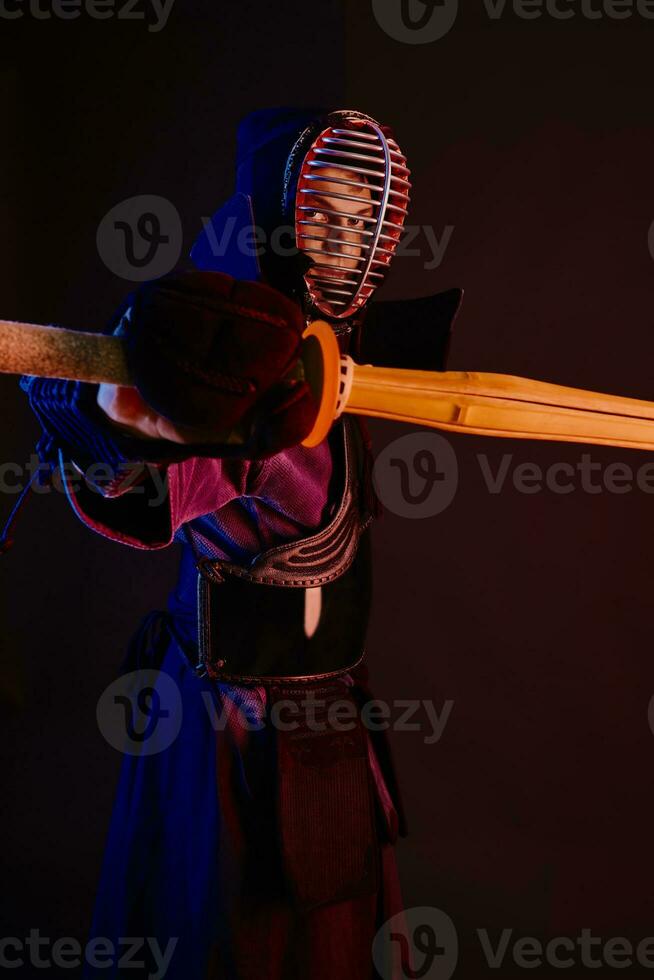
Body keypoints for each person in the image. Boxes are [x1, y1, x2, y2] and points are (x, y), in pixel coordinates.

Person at [19, 108, 461, 979]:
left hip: (329, 706)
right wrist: (116, 418)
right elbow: (143, 479)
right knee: (231, 932)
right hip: (234, 726)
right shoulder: (229, 363)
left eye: (361, 219)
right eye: (323, 213)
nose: (343, 240)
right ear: (276, 213)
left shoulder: (344, 356)